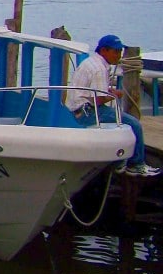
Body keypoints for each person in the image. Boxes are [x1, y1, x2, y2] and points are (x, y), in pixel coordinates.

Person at [67, 34, 159, 176]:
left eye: (120, 51)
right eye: (116, 51)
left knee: (121, 120)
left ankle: (120, 161)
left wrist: (110, 91)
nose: (119, 55)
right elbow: (98, 99)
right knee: (134, 124)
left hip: (79, 109)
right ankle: (136, 164)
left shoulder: (91, 62)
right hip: (88, 112)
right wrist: (115, 95)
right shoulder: (99, 69)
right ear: (104, 51)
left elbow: (91, 91)